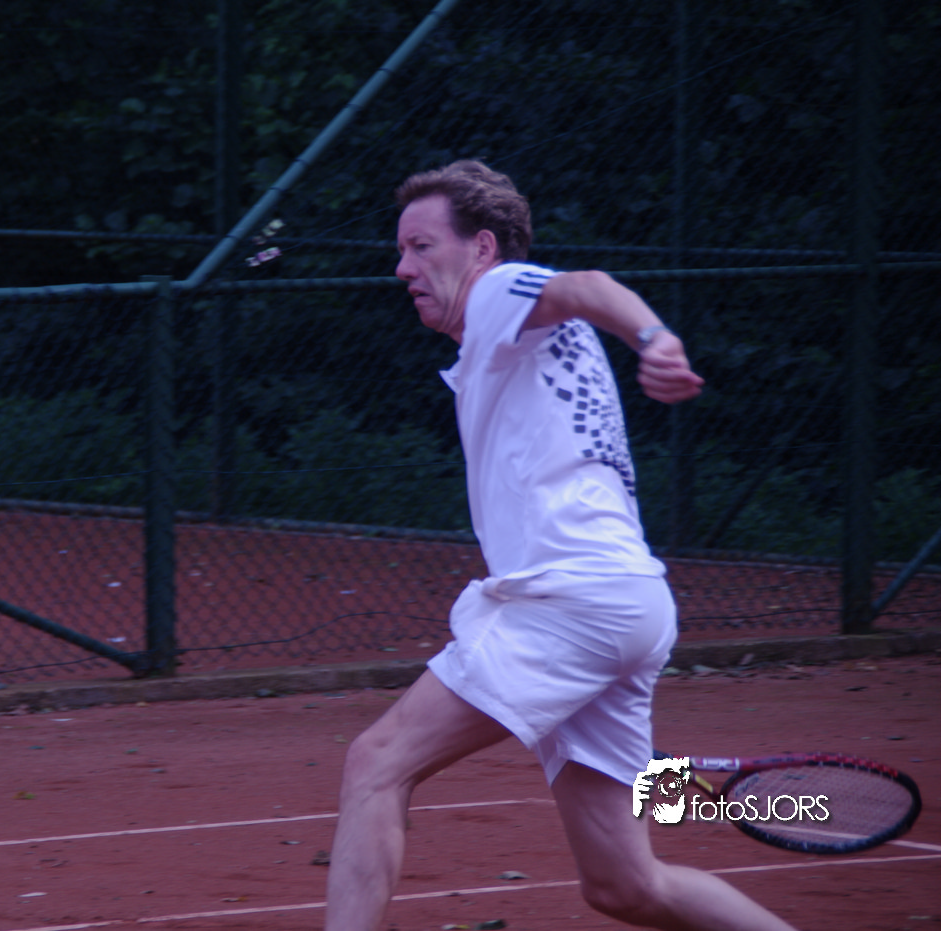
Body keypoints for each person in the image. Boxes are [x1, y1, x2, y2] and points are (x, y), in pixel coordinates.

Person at [323, 160, 796, 931]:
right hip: (626, 603)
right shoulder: (516, 334)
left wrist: (653, 339)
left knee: (375, 762)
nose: (402, 267)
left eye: (420, 246)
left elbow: (588, 285)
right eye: (400, 249)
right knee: (625, 886)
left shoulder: (495, 291)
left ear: (480, 247)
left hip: (571, 603)